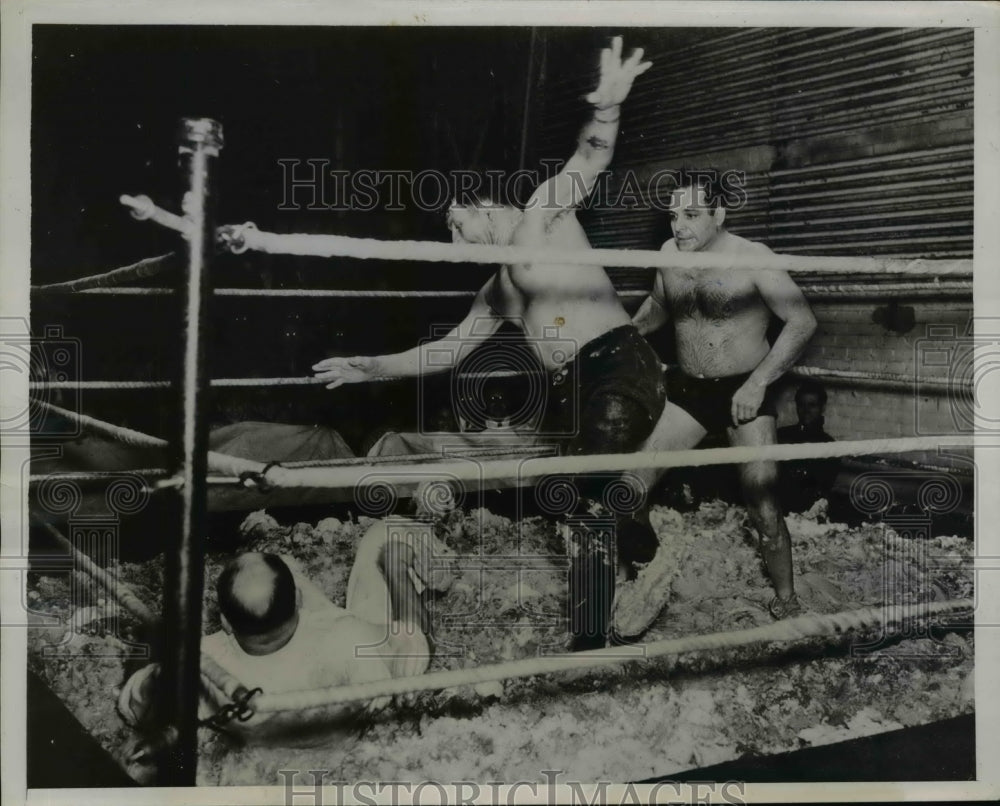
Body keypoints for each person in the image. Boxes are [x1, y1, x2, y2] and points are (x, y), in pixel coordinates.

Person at [313, 37, 664, 651]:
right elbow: (445, 351)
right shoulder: (494, 292)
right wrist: (370, 367)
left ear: (483, 203)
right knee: (572, 498)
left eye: (456, 223)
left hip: (618, 366)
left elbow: (590, 158)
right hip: (570, 387)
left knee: (584, 502)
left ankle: (592, 641)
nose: (455, 241)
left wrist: (607, 108)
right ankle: (648, 551)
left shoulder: (543, 214)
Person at [630, 169, 817, 622]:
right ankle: (635, 585)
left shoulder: (753, 257)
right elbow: (659, 305)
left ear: (719, 213)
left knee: (765, 510)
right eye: (673, 214)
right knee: (630, 485)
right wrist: (627, 336)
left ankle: (787, 599)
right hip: (690, 390)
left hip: (745, 391)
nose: (679, 225)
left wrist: (759, 383)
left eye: (692, 214)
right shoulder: (668, 254)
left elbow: (802, 322)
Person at [117, 521, 454, 746]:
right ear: (299, 604)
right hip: (339, 699)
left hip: (265, 744)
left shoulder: (204, 665)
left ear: (226, 622)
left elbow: (132, 705)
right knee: (385, 532)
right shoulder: (349, 638)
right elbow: (418, 646)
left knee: (280, 563)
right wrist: (395, 569)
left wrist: (161, 664)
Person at [777, 379, 839, 514]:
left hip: (807, 514)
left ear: (822, 408)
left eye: (812, 405)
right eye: (801, 405)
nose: (806, 411)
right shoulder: (781, 435)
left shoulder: (830, 445)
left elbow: (823, 487)